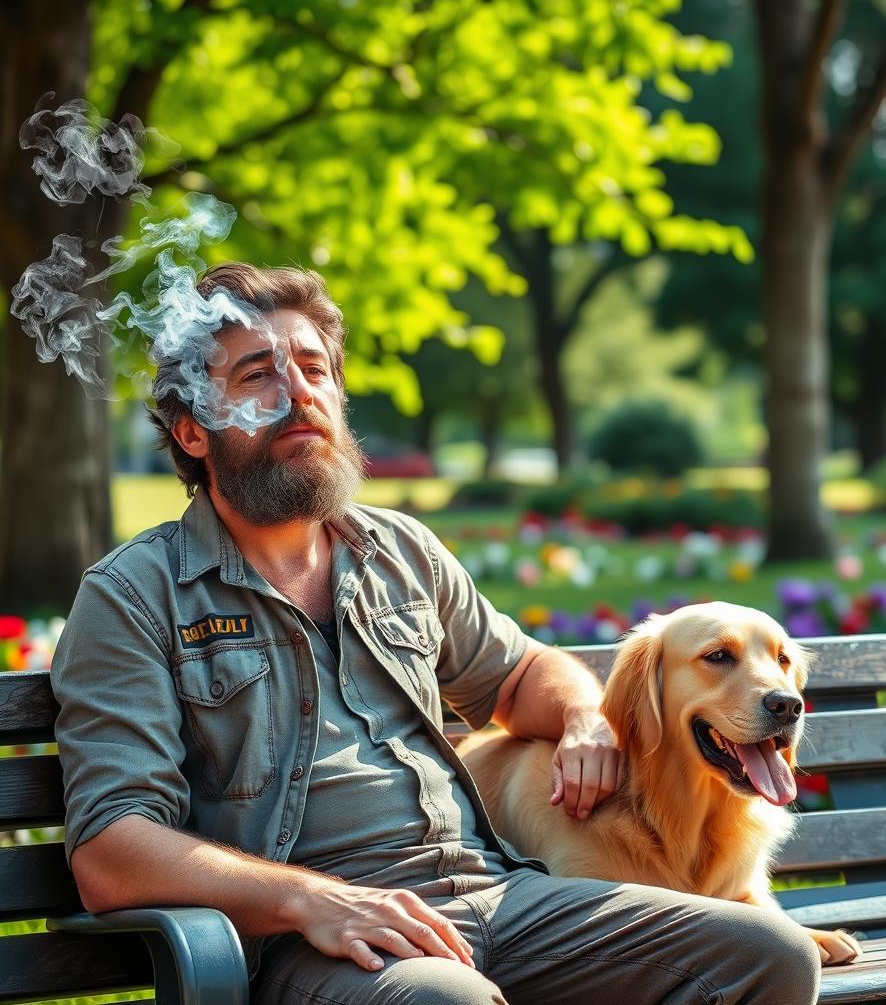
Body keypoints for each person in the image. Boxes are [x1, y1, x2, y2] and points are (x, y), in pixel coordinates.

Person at [51, 263, 821, 1005]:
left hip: (501, 898)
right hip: (319, 944)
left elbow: (519, 677)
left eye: (316, 371)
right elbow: (112, 850)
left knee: (769, 958)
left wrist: (585, 715)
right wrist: (310, 901)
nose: (300, 394)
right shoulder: (135, 597)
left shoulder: (398, 552)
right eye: (258, 376)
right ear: (192, 431)